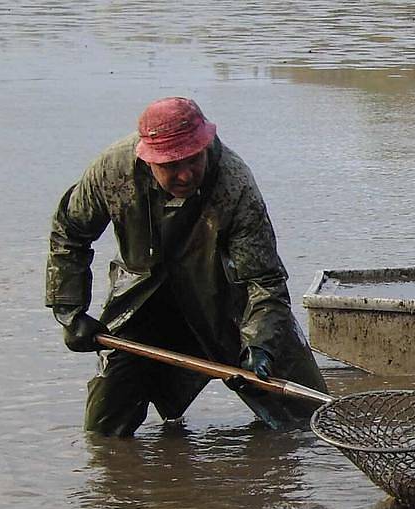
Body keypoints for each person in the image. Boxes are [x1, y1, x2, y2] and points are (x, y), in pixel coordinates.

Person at [46, 96, 327, 436]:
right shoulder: (111, 172)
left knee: (310, 421)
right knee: (104, 429)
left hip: (224, 301)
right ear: (148, 160)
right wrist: (70, 310)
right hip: (140, 300)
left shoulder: (234, 184)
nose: (185, 173)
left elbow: (264, 280)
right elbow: (69, 233)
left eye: (193, 159)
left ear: (206, 145)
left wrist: (260, 345)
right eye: (171, 165)